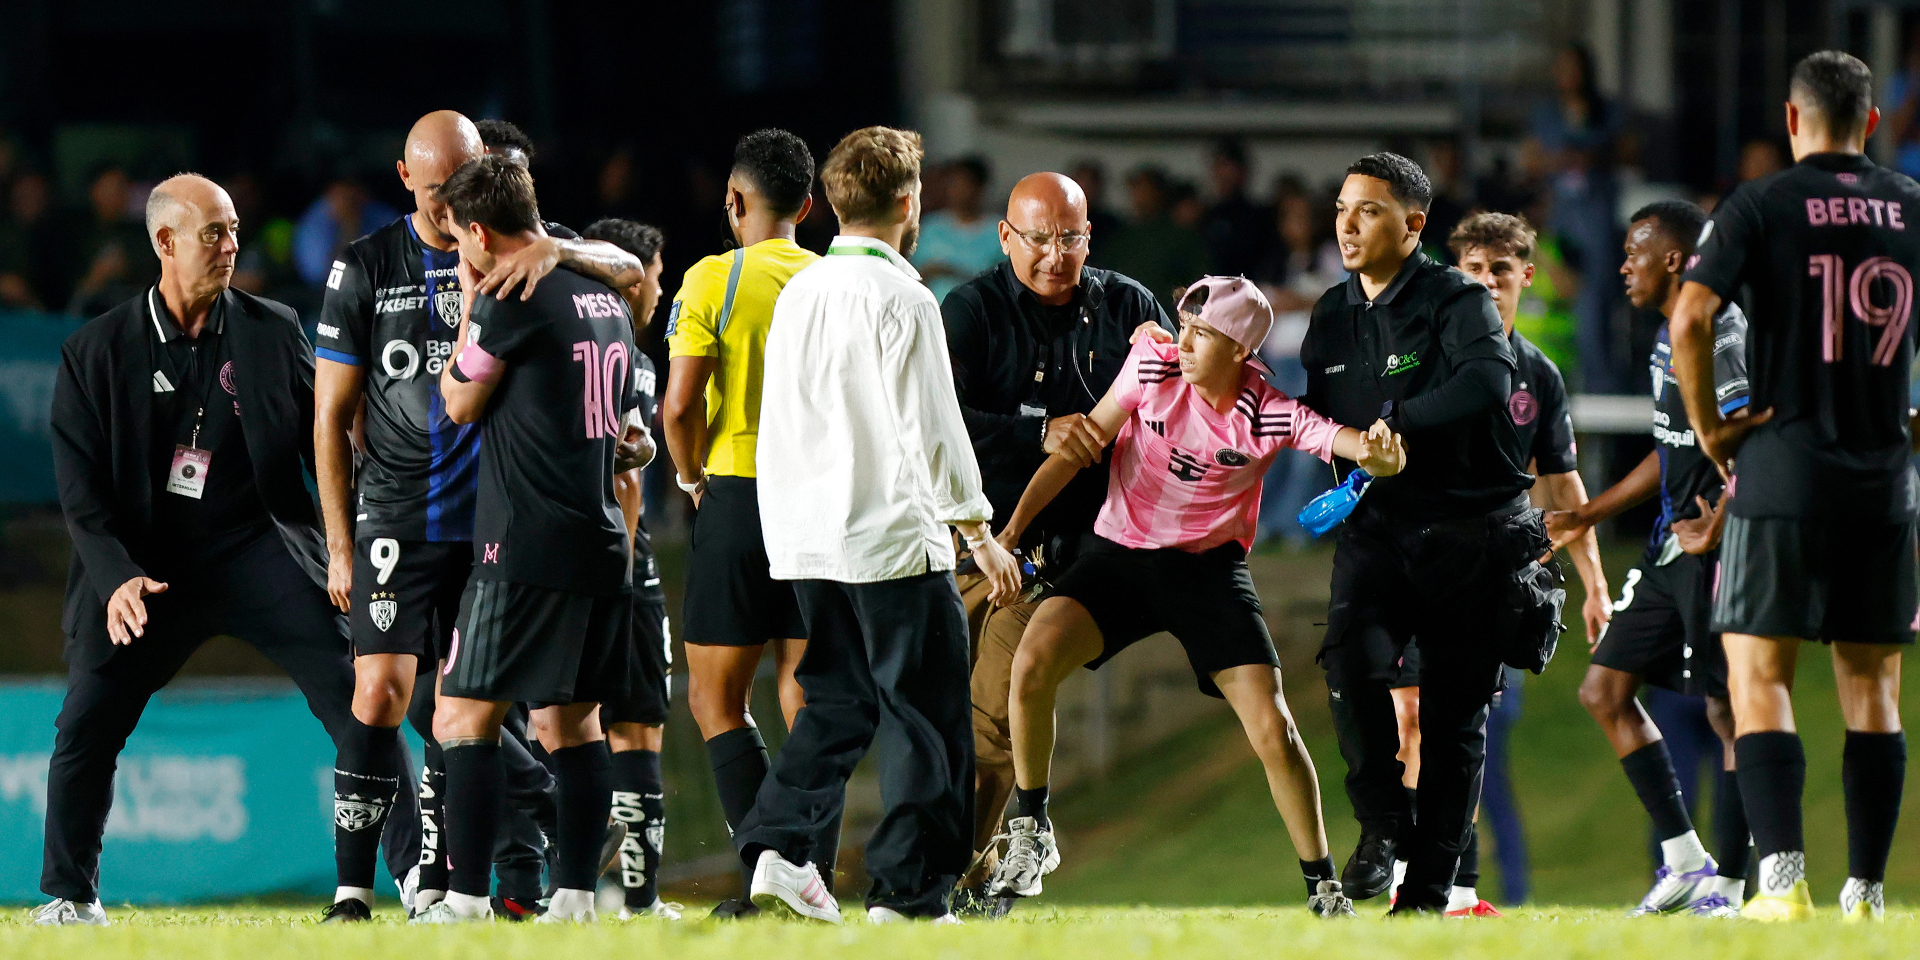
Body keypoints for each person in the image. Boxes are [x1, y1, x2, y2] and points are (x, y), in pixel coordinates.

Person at [33, 174, 415, 926]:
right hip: (147, 569)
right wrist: (116, 582)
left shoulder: (274, 329)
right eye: (213, 232)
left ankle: (420, 884)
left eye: (235, 228)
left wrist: (350, 543)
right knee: (86, 720)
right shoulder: (94, 352)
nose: (232, 244)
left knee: (360, 699)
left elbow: (337, 437)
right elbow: (81, 499)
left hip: (259, 546)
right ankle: (72, 896)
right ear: (164, 242)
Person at [313, 110, 645, 920]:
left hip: (505, 528)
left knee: (473, 713)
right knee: (399, 696)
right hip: (413, 515)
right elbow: (330, 414)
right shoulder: (365, 266)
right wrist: (339, 542)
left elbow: (464, 397)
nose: (440, 209)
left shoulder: (528, 260)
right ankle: (366, 887)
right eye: (430, 191)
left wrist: (548, 256)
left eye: (456, 191)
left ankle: (488, 893)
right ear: (405, 180)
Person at [989, 275, 1404, 919]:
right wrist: (1010, 535)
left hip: (1207, 572)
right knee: (1032, 663)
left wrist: (1378, 455)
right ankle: (1032, 831)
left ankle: (1323, 888)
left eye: (1202, 333)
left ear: (1240, 350)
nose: (1183, 341)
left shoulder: (1266, 412)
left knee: (1272, 725)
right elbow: (1076, 451)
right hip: (1118, 556)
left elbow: (1345, 443)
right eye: (1183, 325)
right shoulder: (1152, 362)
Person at [743, 125, 1023, 925]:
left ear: (832, 203)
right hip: (892, 539)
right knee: (928, 720)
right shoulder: (903, 297)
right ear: (911, 201)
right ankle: (906, 894)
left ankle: (782, 850)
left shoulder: (802, 290)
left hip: (807, 536)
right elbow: (931, 428)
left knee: (836, 704)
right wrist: (979, 534)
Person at [1671, 50, 1917, 922]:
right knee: (1873, 687)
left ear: (1791, 119)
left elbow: (1692, 314)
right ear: (1873, 122)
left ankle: (1783, 884)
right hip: (1884, 482)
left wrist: (1708, 429)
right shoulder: (1910, 205)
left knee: (1757, 672)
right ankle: (1869, 892)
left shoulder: (1763, 202)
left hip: (1782, 470)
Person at [1304, 153, 1543, 915]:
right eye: (1342, 208)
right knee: (1349, 661)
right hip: (1378, 528)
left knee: (1452, 719)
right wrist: (1339, 473)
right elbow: (1319, 422)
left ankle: (1428, 897)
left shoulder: (1457, 299)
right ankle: (1380, 829)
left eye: (1367, 210)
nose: (1346, 224)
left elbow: (1485, 384)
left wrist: (1394, 426)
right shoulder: (1329, 313)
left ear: (1414, 225)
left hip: (1471, 533)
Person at [415, 154, 646, 925]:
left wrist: (470, 300)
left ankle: (467, 899)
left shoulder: (511, 293)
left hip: (522, 544)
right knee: (571, 724)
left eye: (458, 241)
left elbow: (456, 404)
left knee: (461, 717)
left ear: (479, 230)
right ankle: (577, 896)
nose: (458, 255)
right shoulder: (601, 296)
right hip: (598, 534)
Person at [940, 171, 1173, 913]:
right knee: (927, 718)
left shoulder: (1130, 305)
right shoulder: (969, 311)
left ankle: (952, 884)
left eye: (1069, 238)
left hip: (1056, 559)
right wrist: (1035, 433)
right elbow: (937, 426)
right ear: (1006, 236)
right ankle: (940, 874)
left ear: (1088, 238)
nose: (1054, 254)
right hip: (961, 541)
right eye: (1038, 238)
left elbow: (1178, 411)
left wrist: (1170, 358)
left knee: (996, 721)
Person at [1375, 211, 1609, 918]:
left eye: (1499, 270)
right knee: (1411, 718)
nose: (1485, 283)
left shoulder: (1538, 376)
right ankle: (1411, 883)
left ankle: (1457, 889)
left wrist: (1595, 586)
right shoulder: (1420, 359)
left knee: (1460, 723)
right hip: (1414, 560)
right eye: (1472, 270)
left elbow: (1565, 488)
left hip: (1493, 575)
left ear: (1524, 278)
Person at [1543, 200, 1754, 917]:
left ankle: (1729, 888)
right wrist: (1592, 513)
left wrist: (1722, 522)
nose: (1624, 266)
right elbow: (1675, 448)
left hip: (1721, 550)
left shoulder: (1721, 333)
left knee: (1731, 711)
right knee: (1604, 690)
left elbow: (1752, 437)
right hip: (1671, 548)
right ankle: (1687, 861)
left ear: (1673, 261)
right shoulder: (1670, 335)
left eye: (1636, 252)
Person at [659, 128, 824, 918]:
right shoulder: (833, 282)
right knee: (807, 690)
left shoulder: (712, 279)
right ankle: (806, 869)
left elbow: (680, 404)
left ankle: (769, 862)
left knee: (715, 698)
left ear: (734, 201)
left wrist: (690, 477)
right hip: (823, 501)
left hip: (738, 493)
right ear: (810, 204)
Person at [579, 215, 681, 920]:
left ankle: (625, 898)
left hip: (604, 561)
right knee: (589, 721)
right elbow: (625, 478)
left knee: (624, 722)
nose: (657, 289)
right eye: (653, 274)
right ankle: (601, 894)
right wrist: (619, 560)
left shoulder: (637, 361)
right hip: (603, 561)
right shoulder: (609, 355)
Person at [1104, 166, 1209, 315]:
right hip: (1126, 318)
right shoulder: (1121, 237)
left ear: (1159, 192)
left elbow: (1199, 283)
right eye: (1135, 189)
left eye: (1145, 189)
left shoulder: (1179, 237)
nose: (1139, 195)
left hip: (1168, 319)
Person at [915, 156, 1005, 303]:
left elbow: (1002, 283)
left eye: (964, 184)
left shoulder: (998, 232)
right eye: (952, 183)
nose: (956, 190)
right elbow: (913, 275)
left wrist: (950, 270)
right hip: (934, 312)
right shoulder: (931, 227)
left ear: (979, 188)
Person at [1201, 139, 1272, 277]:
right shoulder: (1205, 216)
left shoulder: (1259, 217)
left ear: (1243, 172)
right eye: (1220, 166)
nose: (1224, 175)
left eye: (1230, 168)